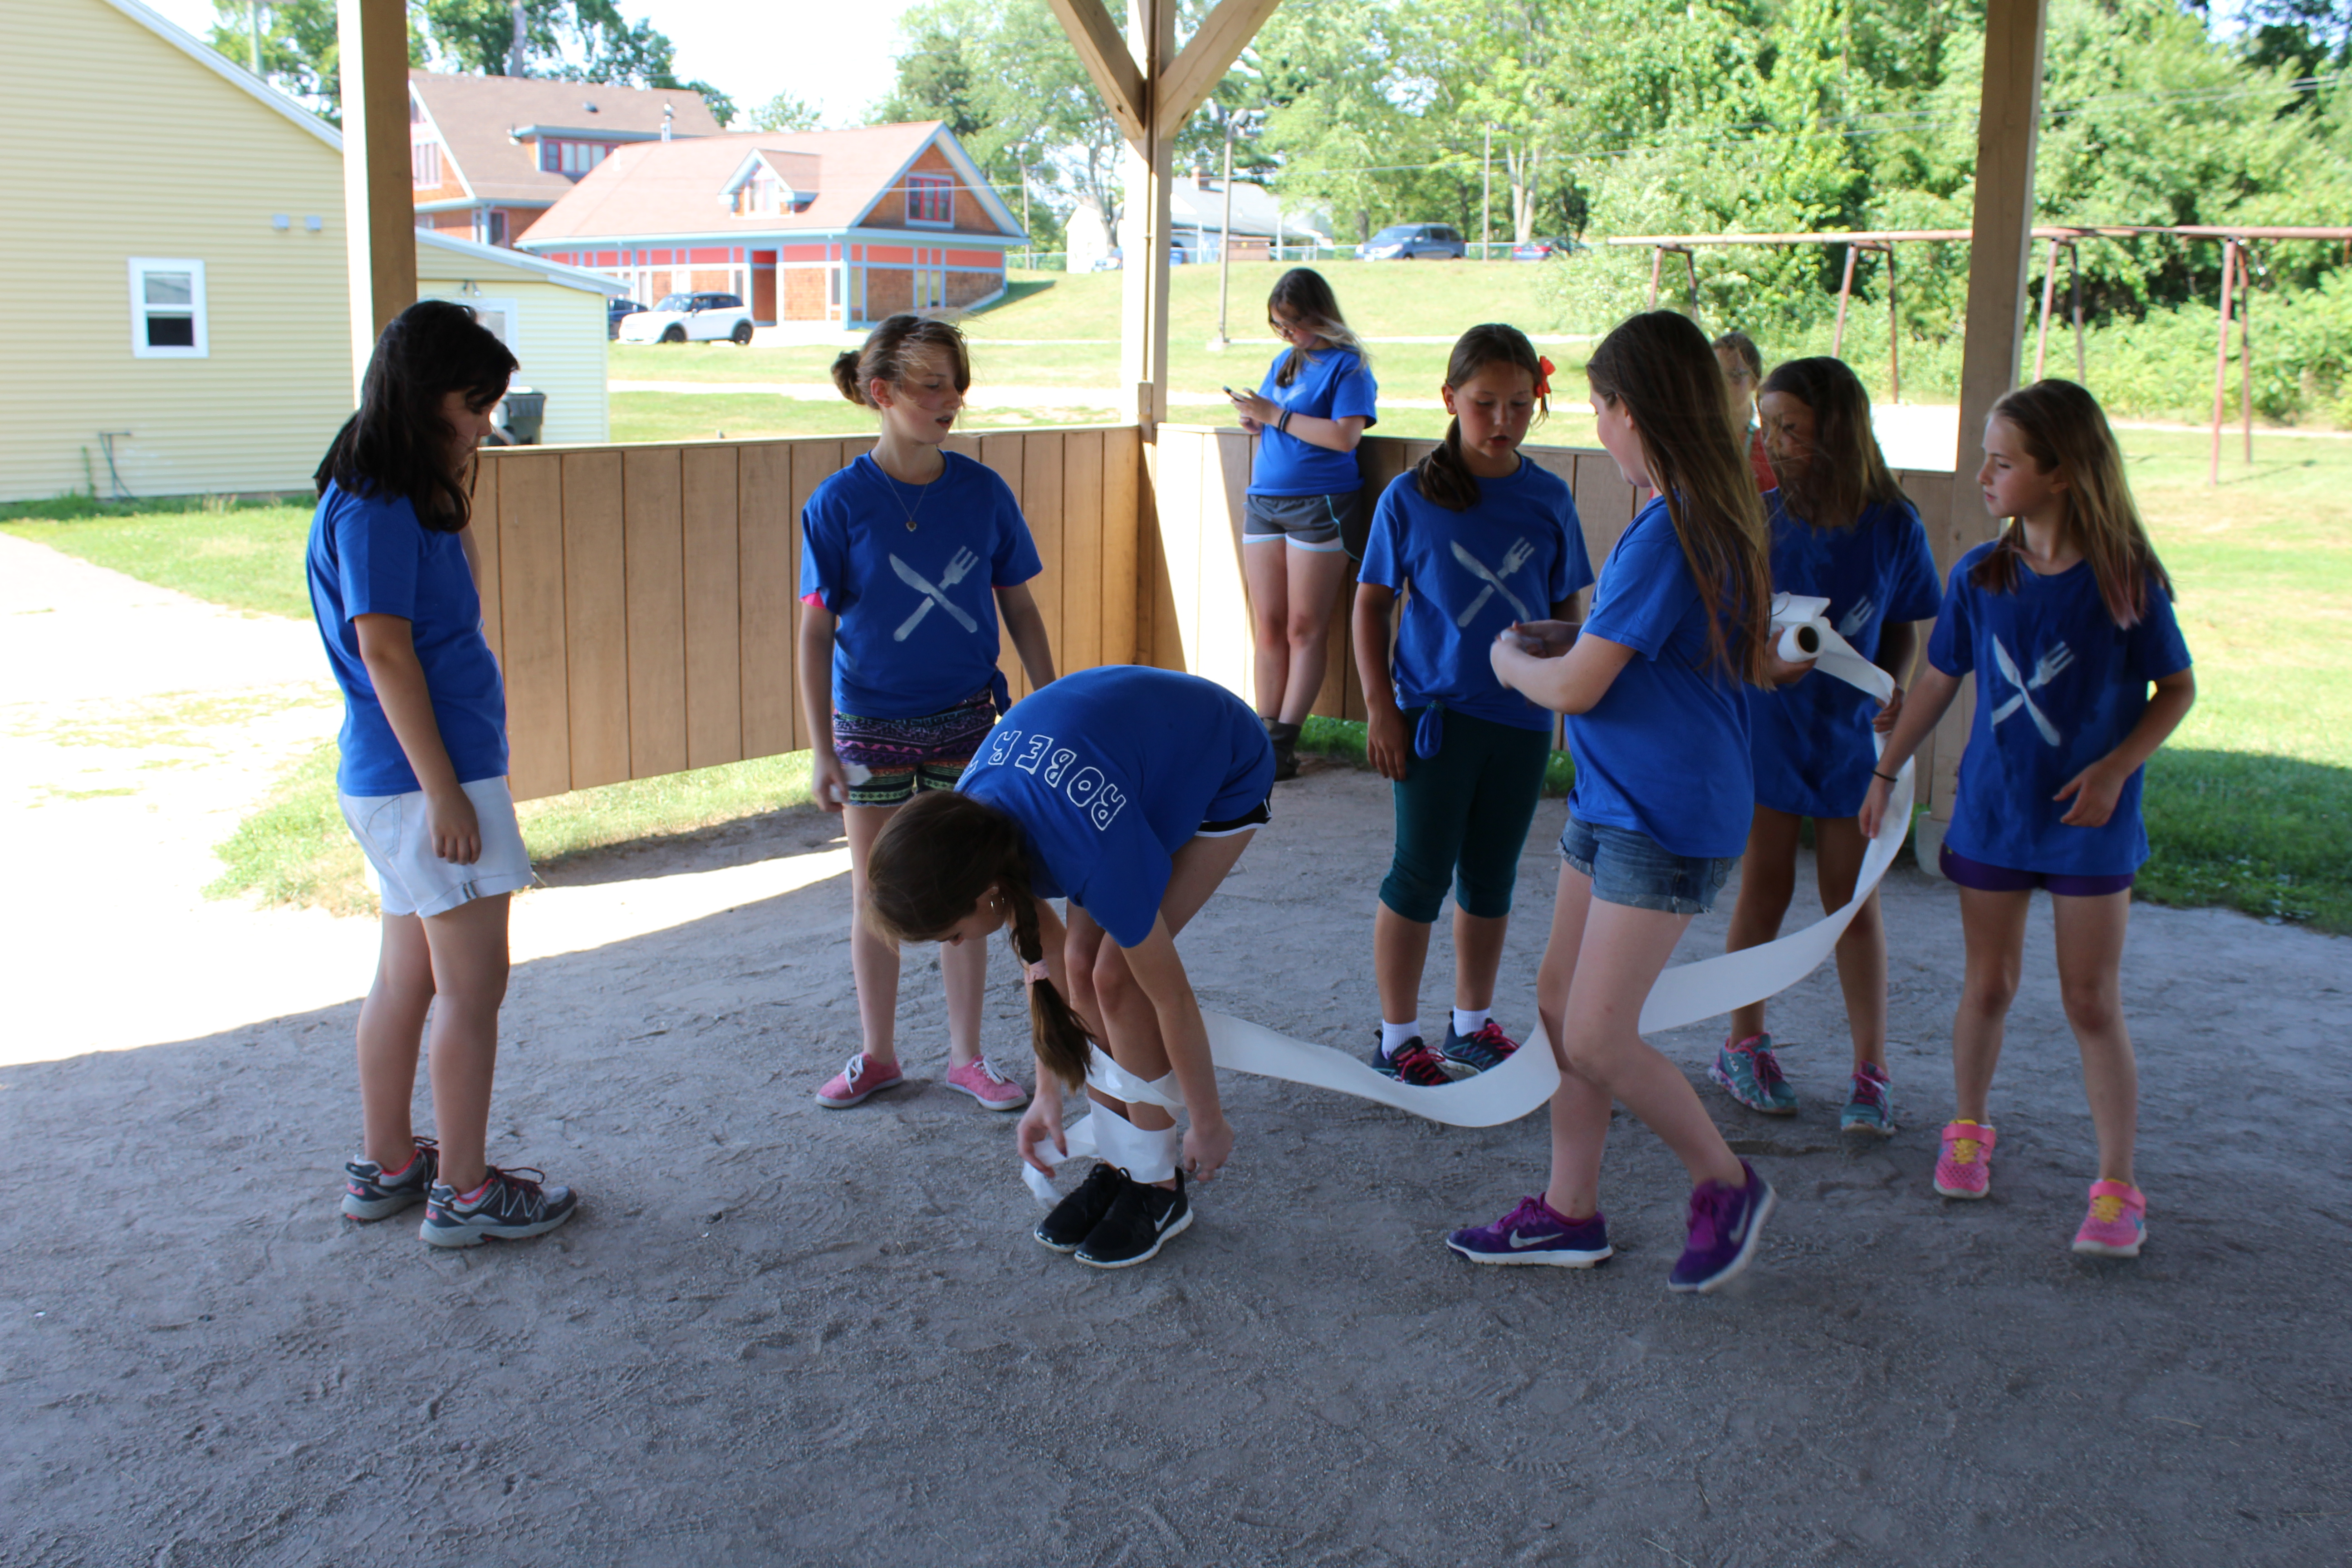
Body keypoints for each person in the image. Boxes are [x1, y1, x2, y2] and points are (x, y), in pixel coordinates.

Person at [1450, 310, 1785, 1294]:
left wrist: (1514, 658)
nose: (1596, 426)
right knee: (1558, 1005)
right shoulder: (1692, 509)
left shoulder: (1673, 523)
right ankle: (1568, 1210)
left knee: (1596, 1034)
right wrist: (1573, 642)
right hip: (1621, 798)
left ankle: (1725, 1184)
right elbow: (1632, 654)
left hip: (1662, 812)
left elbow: (1579, 687)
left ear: (1631, 411)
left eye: (1598, 407)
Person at [1861, 379, 2194, 1259]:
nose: (1984, 475)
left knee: (2090, 1000)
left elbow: (2177, 689)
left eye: (2003, 462)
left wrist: (2117, 768)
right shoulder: (1982, 575)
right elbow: (1938, 681)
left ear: (2062, 472)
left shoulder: (2127, 581)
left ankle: (2117, 1187)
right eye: (1986, 458)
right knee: (1990, 985)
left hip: (2091, 824)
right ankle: (1967, 1129)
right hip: (1996, 816)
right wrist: (1887, 770)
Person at [309, 299, 577, 1248]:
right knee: (474, 989)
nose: (484, 425)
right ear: (426, 398)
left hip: (406, 781)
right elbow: (385, 652)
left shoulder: (387, 492)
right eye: (474, 405)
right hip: (425, 782)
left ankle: (389, 1165)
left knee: (409, 980)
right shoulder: (378, 503)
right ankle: (463, 1191)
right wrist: (444, 792)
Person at [863, 666, 1274, 1269]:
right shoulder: (975, 832)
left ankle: (1158, 1185)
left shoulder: (1080, 848)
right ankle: (1119, 1158)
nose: (954, 948)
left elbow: (1172, 1000)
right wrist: (1047, 1098)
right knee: (1083, 964)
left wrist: (1209, 1122)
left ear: (981, 894)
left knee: (1119, 977)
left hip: (1221, 766)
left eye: (950, 934)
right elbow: (1050, 970)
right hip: (1122, 774)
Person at [799, 315, 1058, 1115]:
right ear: (882, 393)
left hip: (968, 721)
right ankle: (877, 1055)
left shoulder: (982, 492)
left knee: (971, 887)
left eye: (956, 382)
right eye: (931, 384)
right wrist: (820, 749)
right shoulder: (838, 504)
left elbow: (1016, 603)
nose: (952, 399)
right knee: (874, 892)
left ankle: (966, 1057)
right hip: (869, 725)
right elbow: (814, 630)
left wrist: (1044, 701)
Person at [1352, 324, 1593, 1088]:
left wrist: (1564, 703)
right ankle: (1396, 1037)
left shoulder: (1549, 499)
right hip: (1433, 718)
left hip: (1519, 723)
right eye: (1483, 403)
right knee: (1418, 874)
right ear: (1449, 400)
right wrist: (1380, 710)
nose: (1500, 420)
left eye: (1518, 405)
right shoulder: (1408, 497)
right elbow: (1368, 607)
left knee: (1490, 878)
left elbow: (1571, 617)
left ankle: (1470, 1023)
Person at [1715, 356, 1942, 1135]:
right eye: (1766, 423)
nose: (1771, 440)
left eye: (1790, 428)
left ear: (1837, 434)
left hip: (1850, 743)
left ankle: (1869, 1070)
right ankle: (1741, 1042)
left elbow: (1905, 629)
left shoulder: (1892, 524)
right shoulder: (1759, 512)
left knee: (1849, 903)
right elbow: (1734, 622)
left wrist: (1891, 693)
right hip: (1769, 727)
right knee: (1764, 887)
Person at [1225, 268, 1379, 779]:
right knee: (1267, 624)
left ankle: (1284, 742)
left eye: (1292, 324)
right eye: (1278, 326)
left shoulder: (1349, 366)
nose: (1286, 334)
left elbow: (1345, 437)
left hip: (1321, 502)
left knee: (1302, 627)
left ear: (1319, 316)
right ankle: (1261, 732)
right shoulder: (1287, 362)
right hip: (1265, 498)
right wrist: (1256, 417)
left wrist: (1277, 417)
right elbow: (1275, 416)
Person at [1713, 330, 1776, 491]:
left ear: (1755, 381)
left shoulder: (1771, 447)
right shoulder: (1689, 443)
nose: (1722, 385)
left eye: (1734, 376)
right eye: (1714, 376)